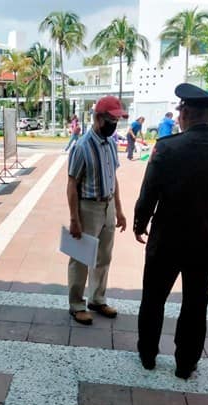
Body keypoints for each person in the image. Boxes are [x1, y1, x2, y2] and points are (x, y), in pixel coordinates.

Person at [134, 83, 208, 379]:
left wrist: (139, 223)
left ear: (184, 113)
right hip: (206, 242)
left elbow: (149, 193)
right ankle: (186, 363)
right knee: (196, 304)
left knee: (153, 299)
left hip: (166, 240)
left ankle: (147, 354)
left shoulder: (168, 147)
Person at [67, 96, 127, 325]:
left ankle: (97, 299)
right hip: (88, 206)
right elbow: (72, 184)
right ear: (99, 118)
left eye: (117, 119)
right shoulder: (81, 146)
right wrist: (74, 219)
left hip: (108, 204)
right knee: (81, 257)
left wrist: (119, 210)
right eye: (111, 119)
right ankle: (76, 304)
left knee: (104, 256)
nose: (115, 124)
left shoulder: (111, 143)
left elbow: (114, 178)